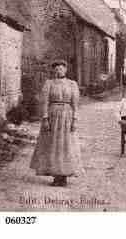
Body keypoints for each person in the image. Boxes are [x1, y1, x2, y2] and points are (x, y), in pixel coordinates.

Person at [30, 59, 82, 187]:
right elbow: (45, 102)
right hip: (53, 115)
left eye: (61, 68)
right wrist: (45, 118)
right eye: (56, 68)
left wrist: (75, 119)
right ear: (54, 70)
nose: (59, 70)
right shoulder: (49, 83)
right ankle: (55, 175)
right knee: (53, 145)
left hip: (67, 116)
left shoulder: (72, 84)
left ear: (66, 69)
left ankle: (64, 175)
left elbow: (75, 104)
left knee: (66, 145)